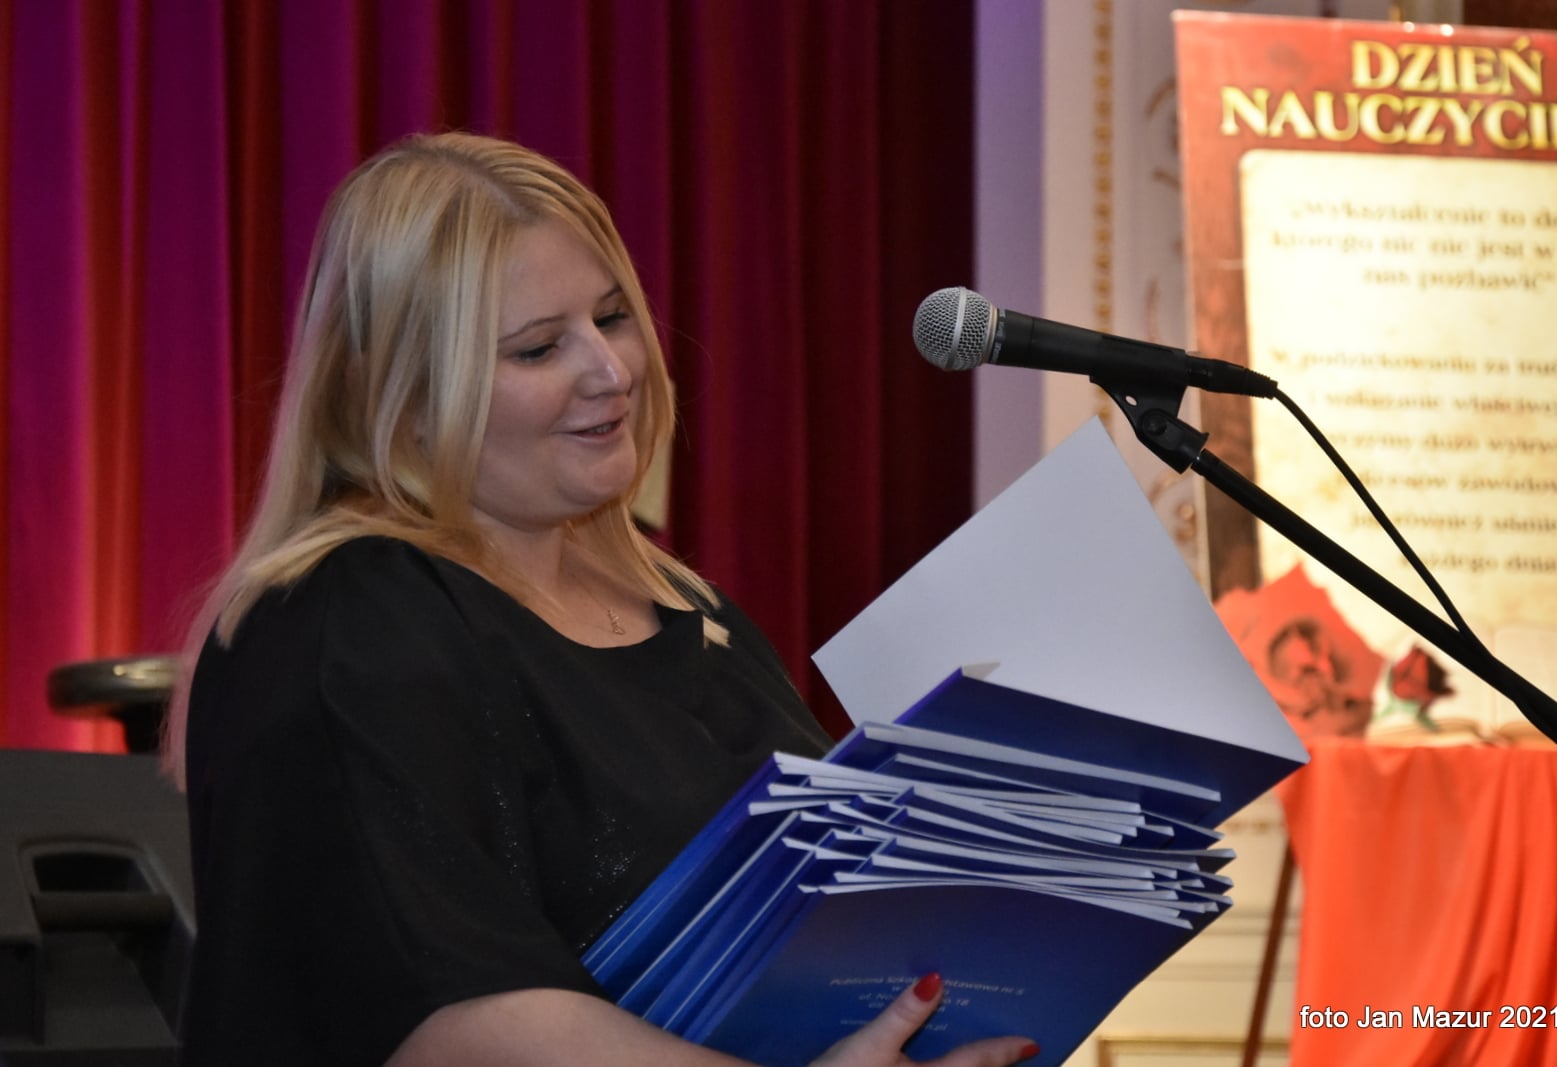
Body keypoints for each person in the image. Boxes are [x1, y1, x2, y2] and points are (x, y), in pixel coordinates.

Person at [165, 131, 1039, 1067]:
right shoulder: (347, 621)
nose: (612, 370)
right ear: (402, 393)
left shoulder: (688, 607)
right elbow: (442, 1019)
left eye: (614, 316)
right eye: (540, 347)